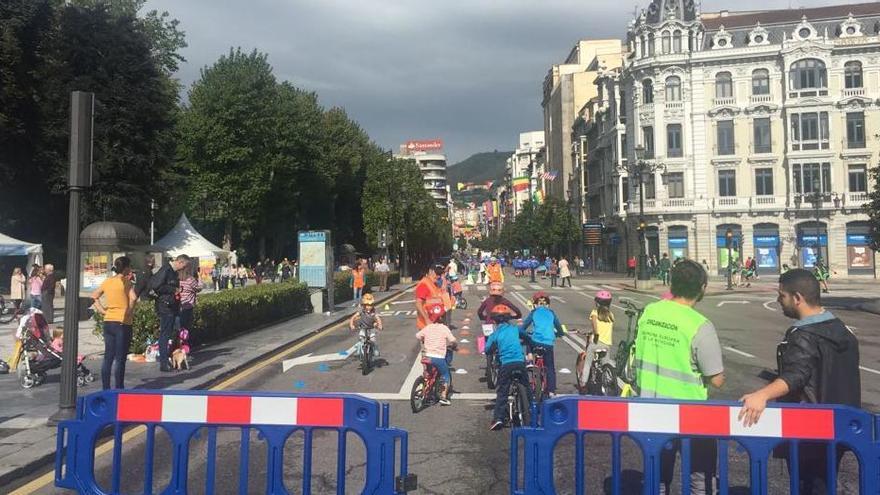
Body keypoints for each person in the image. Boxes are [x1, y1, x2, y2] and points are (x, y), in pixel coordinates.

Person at [738, 268, 859, 494]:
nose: (778, 300)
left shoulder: (803, 335)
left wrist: (762, 395)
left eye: (782, 295)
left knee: (809, 485)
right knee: (826, 482)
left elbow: (796, 375)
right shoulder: (841, 330)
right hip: (841, 424)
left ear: (797, 298)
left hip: (808, 429)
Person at [633, 259, 725, 495]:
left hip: (652, 409)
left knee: (658, 476)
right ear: (702, 288)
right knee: (700, 476)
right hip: (691, 414)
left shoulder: (649, 312)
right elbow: (716, 379)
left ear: (672, 285)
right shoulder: (699, 325)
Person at [92, 256, 137, 389]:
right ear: (126, 267)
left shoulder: (107, 281)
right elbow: (133, 298)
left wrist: (102, 311)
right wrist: (129, 310)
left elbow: (94, 296)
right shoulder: (125, 282)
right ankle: (119, 387)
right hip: (123, 321)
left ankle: (106, 387)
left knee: (108, 356)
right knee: (120, 358)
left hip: (109, 320)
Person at [486, 303, 532, 431]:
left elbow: (487, 349)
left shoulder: (494, 334)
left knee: (502, 392)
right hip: (519, 363)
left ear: (494, 320)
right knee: (527, 388)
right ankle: (533, 413)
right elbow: (527, 337)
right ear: (509, 318)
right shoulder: (515, 329)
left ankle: (498, 419)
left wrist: (492, 349)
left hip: (506, 364)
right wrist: (529, 343)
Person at [149, 255, 190, 372]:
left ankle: (168, 359)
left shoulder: (173, 272)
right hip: (165, 307)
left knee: (170, 334)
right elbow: (156, 286)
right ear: (180, 262)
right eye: (184, 266)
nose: (184, 269)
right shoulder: (166, 270)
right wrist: (173, 290)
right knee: (165, 335)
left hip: (172, 306)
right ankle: (163, 362)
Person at [519, 292, 564, 397]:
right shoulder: (551, 313)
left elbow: (523, 328)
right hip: (548, 343)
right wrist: (559, 334)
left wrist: (523, 334)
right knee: (550, 368)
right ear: (548, 304)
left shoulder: (534, 312)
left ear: (535, 304)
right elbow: (559, 327)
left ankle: (529, 358)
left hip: (536, 342)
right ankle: (552, 391)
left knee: (528, 340)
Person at [416, 301, 457, 405]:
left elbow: (418, 335)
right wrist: (455, 346)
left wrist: (423, 339)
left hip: (426, 356)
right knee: (445, 374)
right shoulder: (444, 328)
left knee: (429, 374)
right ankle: (443, 396)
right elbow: (452, 340)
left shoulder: (428, 327)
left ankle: (426, 388)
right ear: (443, 317)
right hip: (438, 357)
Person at [581, 290, 614, 386]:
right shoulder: (611, 315)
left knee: (588, 362)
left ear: (597, 302)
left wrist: (595, 335)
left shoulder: (595, 313)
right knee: (605, 363)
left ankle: (583, 383)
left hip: (597, 343)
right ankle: (608, 380)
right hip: (607, 344)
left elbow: (595, 327)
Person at [414, 265, 448, 332]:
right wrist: (427, 319)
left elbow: (441, 298)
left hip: (436, 324)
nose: (438, 276)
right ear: (430, 271)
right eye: (437, 273)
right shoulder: (424, 284)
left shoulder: (435, 284)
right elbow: (418, 304)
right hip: (427, 326)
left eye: (440, 274)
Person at [349, 293, 383, 359]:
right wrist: (351, 325)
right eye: (367, 305)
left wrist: (380, 325)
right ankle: (359, 350)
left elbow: (378, 318)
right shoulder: (361, 311)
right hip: (363, 328)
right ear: (364, 305)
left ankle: (375, 348)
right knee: (361, 339)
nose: (369, 307)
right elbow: (353, 317)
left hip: (371, 328)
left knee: (372, 339)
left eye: (370, 305)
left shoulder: (373, 312)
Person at [178, 264, 202, 332]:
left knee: (179, 326)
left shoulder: (176, 279)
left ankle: (179, 340)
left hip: (178, 305)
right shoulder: (190, 280)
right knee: (187, 326)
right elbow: (199, 288)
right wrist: (199, 276)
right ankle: (185, 341)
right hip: (188, 306)